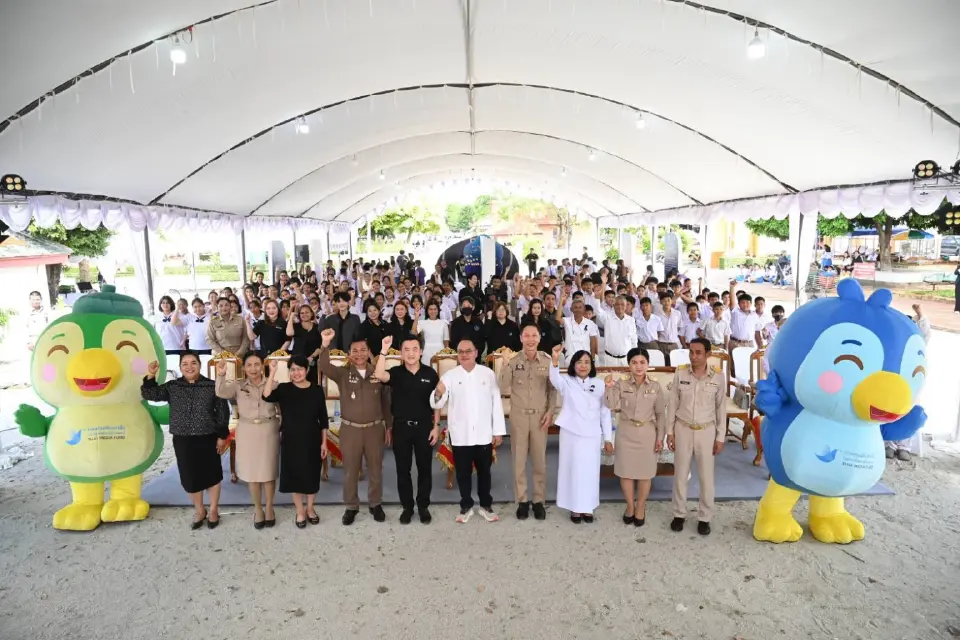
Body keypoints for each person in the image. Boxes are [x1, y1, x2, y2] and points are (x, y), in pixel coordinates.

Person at [140, 352, 230, 529]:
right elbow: (150, 394)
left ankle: (213, 510)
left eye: (193, 363)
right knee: (190, 478)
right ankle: (200, 510)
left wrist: (222, 436)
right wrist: (151, 374)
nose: (190, 367)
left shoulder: (211, 386)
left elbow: (222, 412)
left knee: (212, 476)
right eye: (185, 364)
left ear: (200, 365)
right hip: (183, 439)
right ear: (180, 367)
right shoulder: (173, 386)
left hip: (208, 437)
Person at [318, 329, 392, 525]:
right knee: (350, 470)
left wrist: (389, 426)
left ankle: (375, 503)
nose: (359, 354)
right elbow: (323, 366)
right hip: (350, 430)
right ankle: (351, 506)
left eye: (363, 350)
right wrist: (325, 344)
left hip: (374, 429)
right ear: (349, 353)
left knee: (375, 468)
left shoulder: (377, 373)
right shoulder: (343, 373)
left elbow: (385, 402)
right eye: (355, 351)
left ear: (369, 352)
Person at [429, 339, 505, 523]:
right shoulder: (450, 375)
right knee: (462, 473)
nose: (464, 355)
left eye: (468, 351)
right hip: (460, 434)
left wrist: (498, 431)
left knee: (484, 472)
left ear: (476, 353)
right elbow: (437, 402)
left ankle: (486, 505)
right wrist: (438, 392)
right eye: (461, 352)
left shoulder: (488, 374)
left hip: (483, 433)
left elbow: (496, 403)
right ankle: (466, 506)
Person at [375, 334, 441, 524]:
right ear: (401, 353)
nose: (411, 353)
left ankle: (423, 506)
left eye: (414, 349)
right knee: (403, 470)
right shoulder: (396, 373)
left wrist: (436, 427)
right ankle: (407, 507)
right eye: (406, 350)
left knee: (424, 469)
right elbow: (379, 375)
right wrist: (384, 350)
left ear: (421, 352)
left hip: (424, 428)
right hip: (401, 428)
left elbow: (437, 401)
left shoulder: (430, 374)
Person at [666, 338, 727, 536]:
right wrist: (670, 431)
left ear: (708, 354)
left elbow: (721, 408)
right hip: (683, 429)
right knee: (680, 475)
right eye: (691, 352)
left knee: (706, 478)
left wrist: (720, 436)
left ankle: (704, 517)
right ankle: (679, 514)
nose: (693, 356)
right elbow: (672, 403)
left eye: (698, 352)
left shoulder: (718, 376)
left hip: (706, 431)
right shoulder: (680, 372)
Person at [548, 345, 613, 523]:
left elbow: (605, 413)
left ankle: (588, 508)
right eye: (579, 362)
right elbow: (554, 378)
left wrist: (608, 439)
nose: (583, 365)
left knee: (590, 472)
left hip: (592, 435)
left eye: (586, 362)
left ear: (592, 365)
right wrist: (555, 360)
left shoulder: (600, 384)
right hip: (571, 433)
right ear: (573, 365)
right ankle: (575, 509)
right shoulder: (566, 381)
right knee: (572, 471)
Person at [262, 355, 329, 528]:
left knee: (312, 475)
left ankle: (310, 508)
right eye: (292, 370)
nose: (296, 373)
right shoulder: (284, 389)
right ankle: (300, 511)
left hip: (312, 439)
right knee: (294, 476)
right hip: (291, 440)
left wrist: (324, 442)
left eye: (300, 369)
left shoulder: (316, 390)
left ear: (307, 370)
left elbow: (323, 419)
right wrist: (272, 371)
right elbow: (266, 396)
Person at [215, 352, 279, 529]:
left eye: (257, 364)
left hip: (269, 429)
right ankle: (258, 509)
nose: (253, 369)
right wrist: (221, 374)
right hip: (247, 429)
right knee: (252, 474)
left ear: (262, 366)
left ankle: (269, 507)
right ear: (243, 368)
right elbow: (221, 392)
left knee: (268, 471)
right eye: (249, 365)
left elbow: (283, 407)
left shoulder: (273, 384)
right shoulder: (238, 385)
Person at [498, 324, 556, 520]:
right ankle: (522, 501)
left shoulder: (547, 361)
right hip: (519, 417)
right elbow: (502, 386)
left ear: (539, 338)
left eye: (534, 335)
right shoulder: (513, 361)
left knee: (540, 461)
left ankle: (539, 501)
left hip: (540, 417)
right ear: (521, 338)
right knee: (519, 460)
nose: (531, 339)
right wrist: (505, 365)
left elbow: (552, 390)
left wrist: (550, 412)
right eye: (527, 335)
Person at [604, 348, 665, 527]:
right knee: (626, 473)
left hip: (647, 433)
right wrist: (608, 387)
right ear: (629, 365)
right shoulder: (621, 383)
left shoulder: (655, 385)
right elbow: (610, 404)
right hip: (626, 432)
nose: (638, 366)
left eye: (642, 362)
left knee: (645, 474)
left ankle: (641, 507)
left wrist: (660, 437)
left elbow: (660, 414)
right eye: (634, 362)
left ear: (648, 364)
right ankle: (630, 506)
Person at [595, 295, 637, 366]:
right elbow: (598, 311)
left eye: (622, 304)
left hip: (626, 359)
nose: (620, 307)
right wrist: (597, 297)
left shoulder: (631, 320)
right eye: (617, 304)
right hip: (609, 359)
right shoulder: (607, 317)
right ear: (613, 305)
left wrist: (634, 355)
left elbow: (634, 339)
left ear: (626, 306)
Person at [287, 301, 322, 379]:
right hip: (297, 361)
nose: (304, 314)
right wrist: (291, 317)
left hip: (313, 361)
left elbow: (321, 346)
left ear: (311, 313)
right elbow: (289, 333)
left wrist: (311, 357)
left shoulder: (318, 327)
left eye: (307, 312)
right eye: (302, 313)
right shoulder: (296, 326)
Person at [561, 298, 599, 365]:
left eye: (580, 307)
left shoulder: (590, 323)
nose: (578, 310)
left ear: (584, 309)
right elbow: (557, 318)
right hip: (571, 357)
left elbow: (593, 342)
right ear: (571, 309)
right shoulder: (567, 321)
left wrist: (592, 359)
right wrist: (561, 301)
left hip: (586, 357)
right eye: (575, 307)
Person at [449, 297, 485, 362]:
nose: (466, 308)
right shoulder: (456, 323)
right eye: (464, 306)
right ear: (461, 308)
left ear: (473, 307)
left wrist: (475, 353)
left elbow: (481, 341)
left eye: (468, 306)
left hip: (475, 358)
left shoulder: (478, 322)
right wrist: (462, 353)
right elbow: (453, 342)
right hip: (460, 358)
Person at [418, 300, 449, 364]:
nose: (433, 311)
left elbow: (446, 342)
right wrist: (416, 317)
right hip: (427, 352)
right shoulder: (422, 323)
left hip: (441, 352)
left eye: (435, 309)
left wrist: (446, 356)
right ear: (427, 311)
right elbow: (413, 333)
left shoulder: (443, 323)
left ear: (438, 310)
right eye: (431, 309)